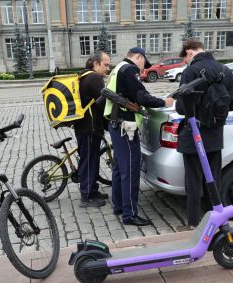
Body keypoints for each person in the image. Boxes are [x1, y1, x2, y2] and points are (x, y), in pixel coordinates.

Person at [104, 48, 173, 226]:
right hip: (125, 127)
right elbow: (141, 96)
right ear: (138, 57)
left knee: (120, 168)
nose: (143, 70)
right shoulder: (129, 69)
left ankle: (119, 205)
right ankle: (130, 214)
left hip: (116, 124)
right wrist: (163, 102)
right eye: (143, 64)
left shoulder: (117, 68)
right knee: (130, 170)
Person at [176, 39, 233, 229]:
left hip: (194, 134)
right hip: (215, 134)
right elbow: (232, 104)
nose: (186, 62)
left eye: (185, 58)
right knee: (213, 179)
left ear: (190, 53)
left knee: (193, 179)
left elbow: (181, 107)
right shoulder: (225, 70)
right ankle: (215, 219)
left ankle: (193, 222)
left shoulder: (191, 71)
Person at [74, 51, 111, 207]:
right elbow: (104, 102)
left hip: (83, 126)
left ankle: (93, 190)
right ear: (95, 64)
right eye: (106, 64)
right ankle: (87, 196)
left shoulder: (83, 75)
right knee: (89, 161)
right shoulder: (94, 77)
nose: (108, 68)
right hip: (90, 126)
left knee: (91, 159)